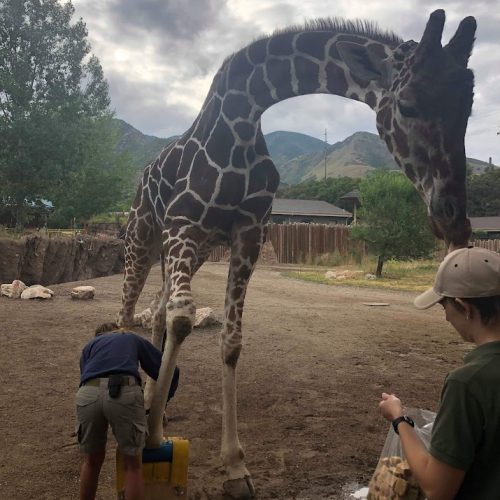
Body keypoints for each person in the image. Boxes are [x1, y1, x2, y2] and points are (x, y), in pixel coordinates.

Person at [378, 247, 500, 499]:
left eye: (445, 307)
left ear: (464, 307)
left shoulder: (467, 382)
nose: (446, 318)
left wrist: (399, 420)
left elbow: (437, 489)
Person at [76, 323, 179, 500]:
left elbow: (85, 376)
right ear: (118, 329)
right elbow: (169, 370)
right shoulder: (128, 336)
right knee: (133, 465)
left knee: (91, 462)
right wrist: (163, 401)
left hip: (87, 394)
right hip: (123, 391)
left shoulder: (89, 347)